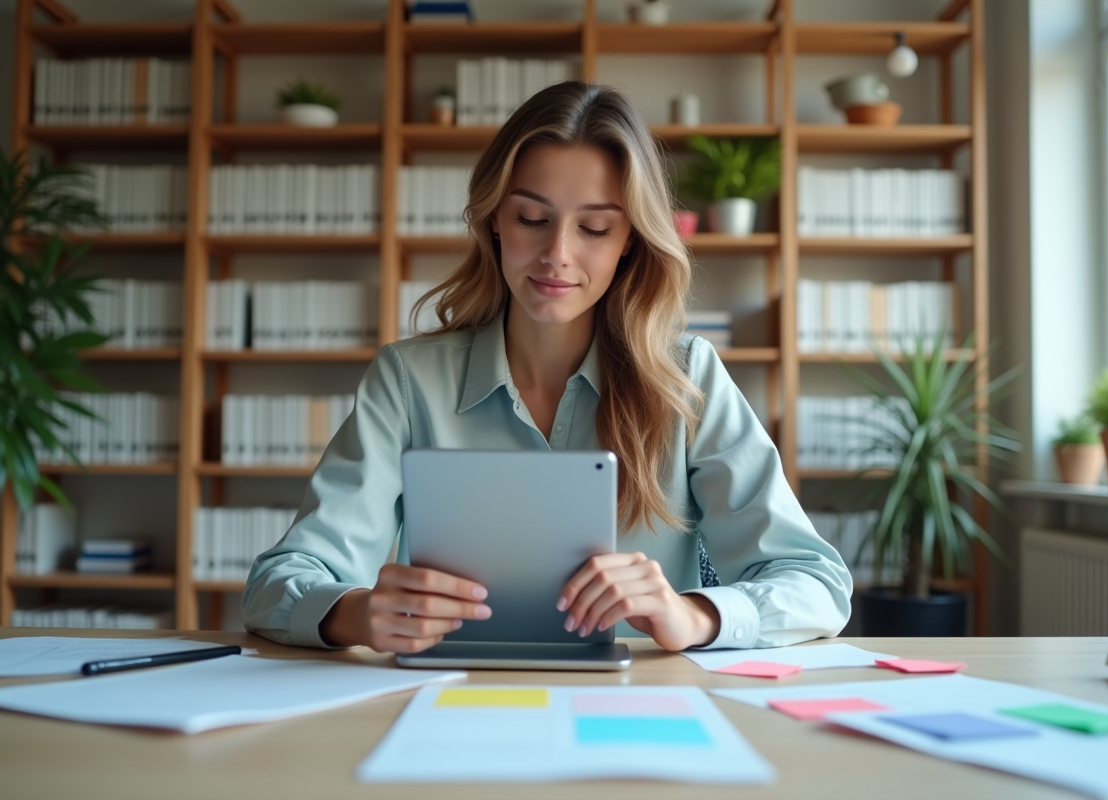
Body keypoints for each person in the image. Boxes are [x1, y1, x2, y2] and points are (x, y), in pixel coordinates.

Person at [242, 81, 852, 654]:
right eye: (532, 219)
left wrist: (692, 614)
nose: (557, 255)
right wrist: (355, 612)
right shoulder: (407, 381)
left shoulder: (687, 377)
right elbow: (279, 582)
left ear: (630, 242)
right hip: (451, 698)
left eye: (594, 227)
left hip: (641, 705)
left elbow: (816, 582)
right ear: (495, 221)